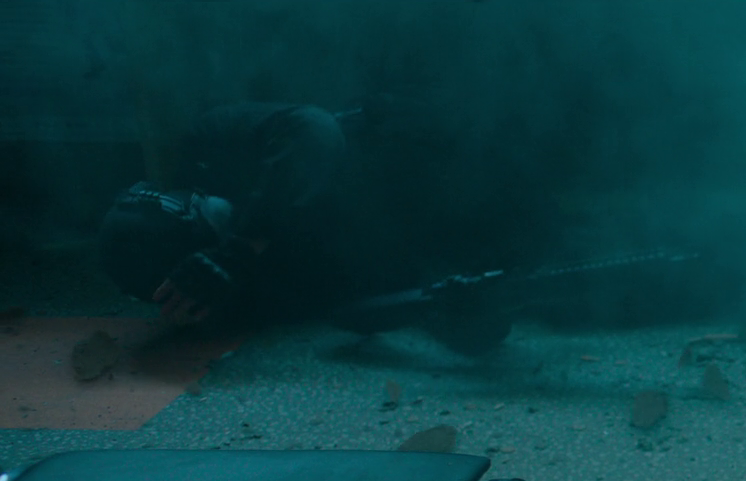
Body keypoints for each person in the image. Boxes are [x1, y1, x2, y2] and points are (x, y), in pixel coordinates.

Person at [98, 101, 521, 353]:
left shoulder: (211, 144)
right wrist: (440, 308)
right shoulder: (261, 294)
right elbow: (361, 299)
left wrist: (239, 249)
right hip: (450, 235)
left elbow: (314, 129)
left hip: (444, 160)